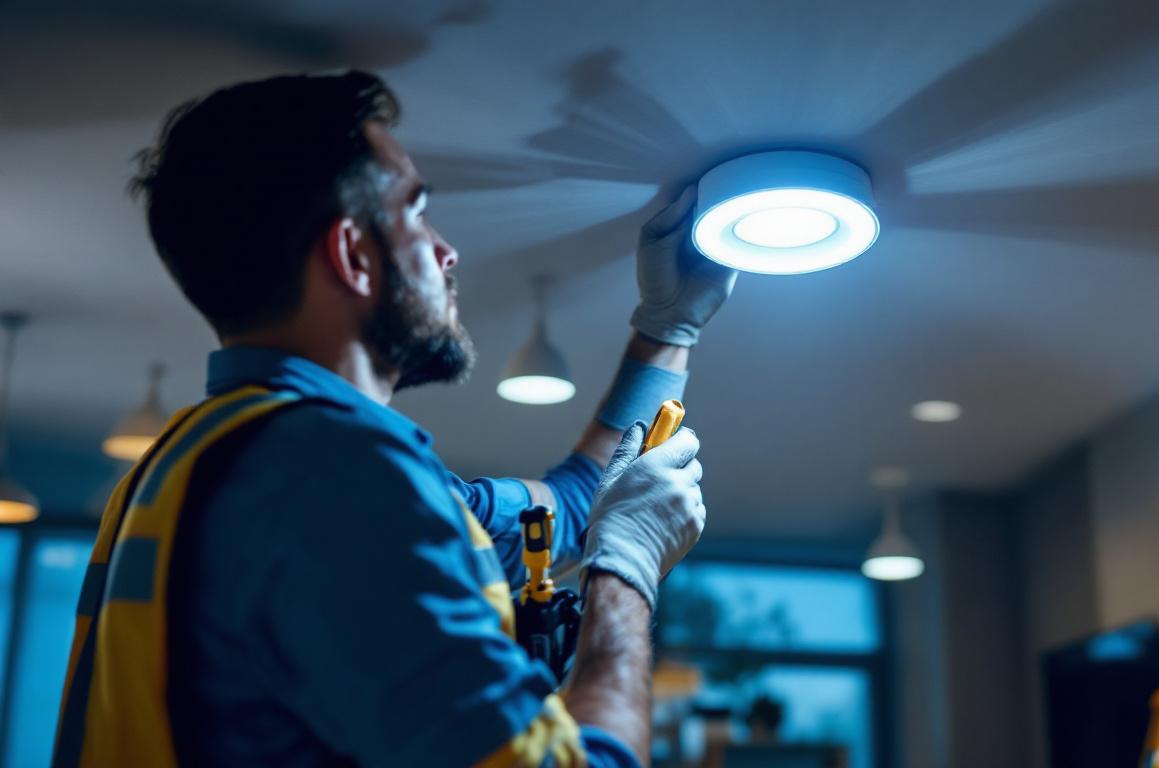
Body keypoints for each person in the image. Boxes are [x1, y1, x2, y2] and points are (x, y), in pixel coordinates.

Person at [55, 70, 736, 767]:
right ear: (352, 254)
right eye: (415, 210)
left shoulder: (198, 460)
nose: (447, 251)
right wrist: (626, 573)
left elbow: (571, 507)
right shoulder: (337, 478)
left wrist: (668, 325)